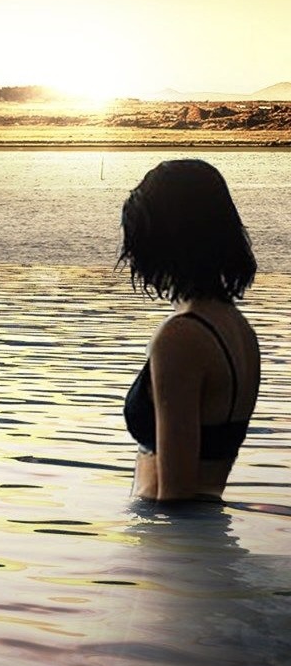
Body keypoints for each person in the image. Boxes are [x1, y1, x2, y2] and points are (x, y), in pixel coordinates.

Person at [120, 159, 262, 504]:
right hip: (200, 534)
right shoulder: (238, 329)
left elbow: (177, 495)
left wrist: (160, 554)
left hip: (166, 541)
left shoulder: (181, 338)